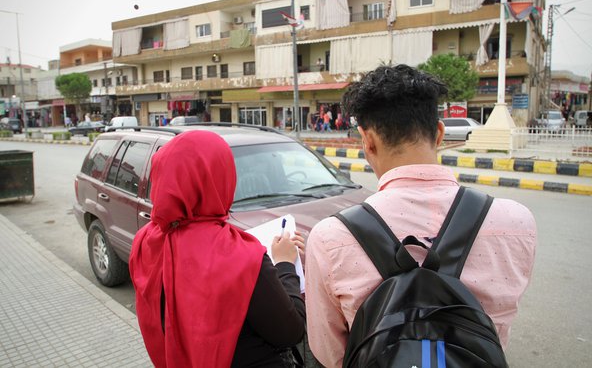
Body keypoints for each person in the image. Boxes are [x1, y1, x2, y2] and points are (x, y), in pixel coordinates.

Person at [304, 64, 537, 367]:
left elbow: (331, 355)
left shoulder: (330, 237)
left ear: (367, 141)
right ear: (439, 133)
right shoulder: (516, 222)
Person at [129, 130, 306, 367]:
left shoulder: (144, 242)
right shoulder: (241, 258)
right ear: (220, 179)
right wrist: (285, 264)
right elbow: (290, 332)